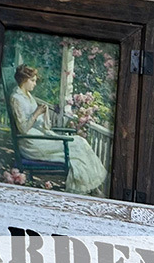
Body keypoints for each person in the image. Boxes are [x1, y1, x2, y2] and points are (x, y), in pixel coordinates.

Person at [9, 64, 107, 195]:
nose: (35, 84)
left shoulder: (27, 95)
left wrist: (42, 113)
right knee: (78, 145)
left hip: (38, 135)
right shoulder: (16, 98)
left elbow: (37, 122)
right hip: (30, 142)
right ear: (23, 80)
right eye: (32, 80)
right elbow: (22, 128)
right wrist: (37, 113)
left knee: (80, 142)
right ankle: (88, 187)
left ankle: (92, 185)